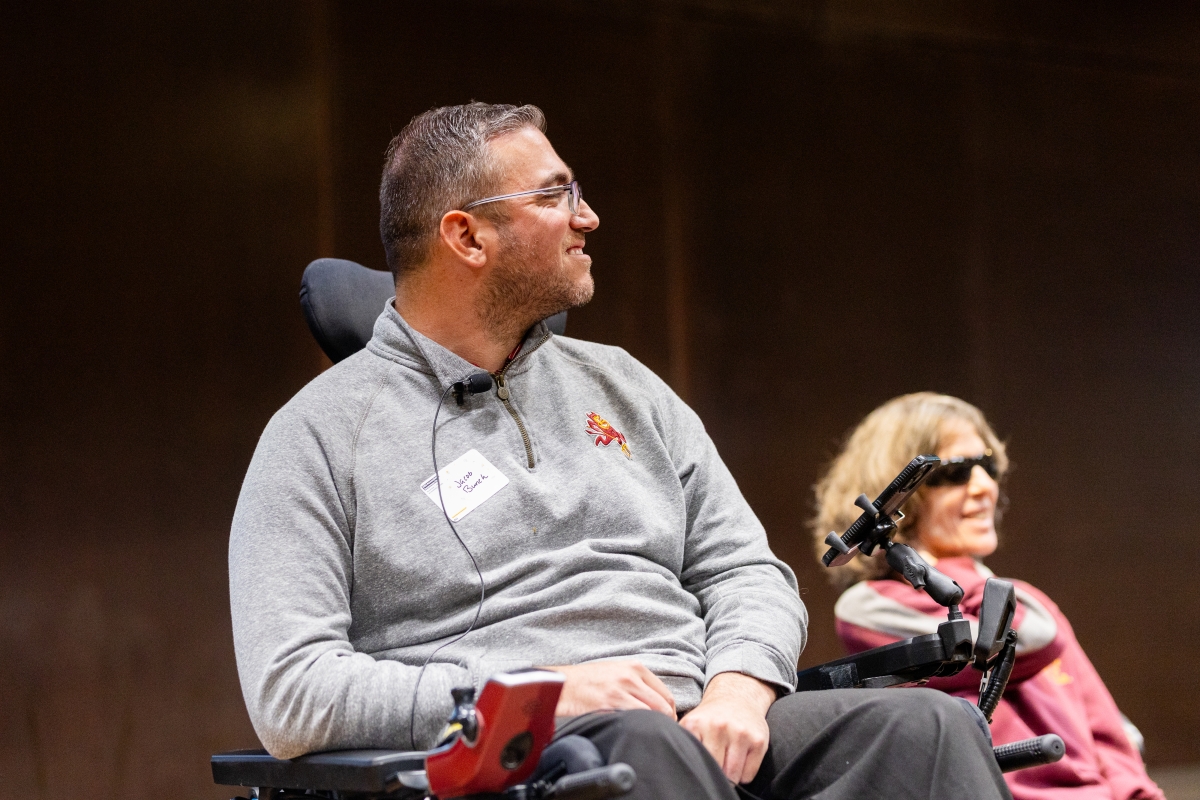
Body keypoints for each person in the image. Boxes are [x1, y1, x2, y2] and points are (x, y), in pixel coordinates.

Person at [228, 103, 1011, 800]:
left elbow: (746, 572)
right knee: (640, 752)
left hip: (705, 727)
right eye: (554, 194)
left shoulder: (626, 386)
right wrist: (534, 695)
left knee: (926, 729)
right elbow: (293, 694)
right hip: (525, 757)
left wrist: (739, 687)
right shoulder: (320, 436)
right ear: (466, 236)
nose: (588, 216)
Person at [810, 392, 1163, 800]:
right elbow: (1025, 641)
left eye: (988, 466)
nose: (984, 486)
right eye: (957, 472)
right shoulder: (868, 607)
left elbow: (1106, 732)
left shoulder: (1023, 600)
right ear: (895, 492)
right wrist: (955, 570)